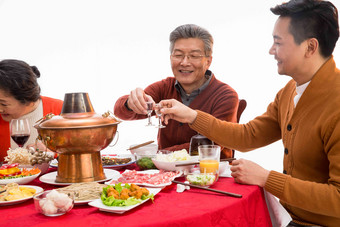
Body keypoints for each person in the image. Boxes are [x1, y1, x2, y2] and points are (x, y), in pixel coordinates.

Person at [159, 0, 340, 226]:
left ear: (310, 47)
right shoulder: (290, 92)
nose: (271, 50)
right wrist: (192, 116)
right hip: (290, 218)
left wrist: (266, 178)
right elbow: (248, 136)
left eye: (278, 42)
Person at [114, 24, 239, 158]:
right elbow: (120, 113)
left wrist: (160, 154)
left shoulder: (226, 95)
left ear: (208, 61)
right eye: (178, 55)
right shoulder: (164, 87)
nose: (184, 62)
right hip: (166, 173)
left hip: (210, 174)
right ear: (170, 57)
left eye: (194, 56)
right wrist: (130, 102)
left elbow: (211, 145)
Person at [0, 59, 63, 161]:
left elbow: (80, 154)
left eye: (3, 104)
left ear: (27, 99)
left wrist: (53, 154)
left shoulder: (60, 111)